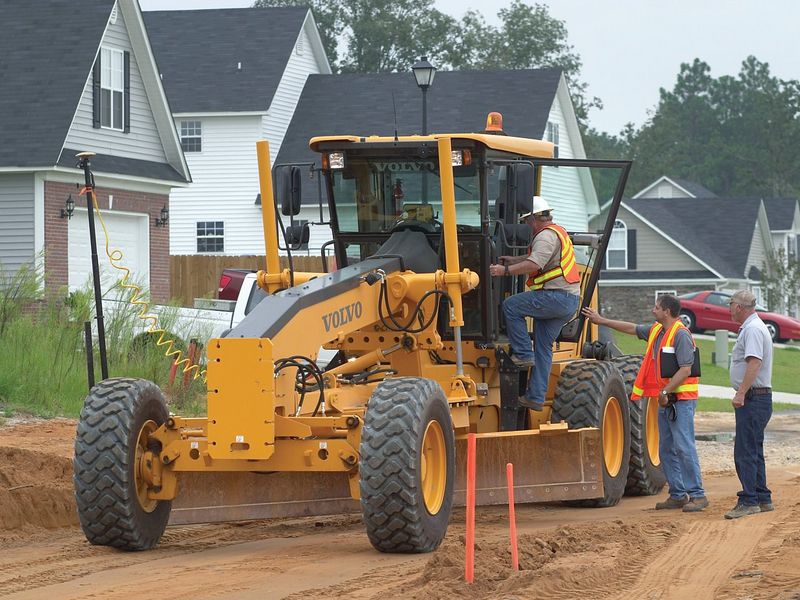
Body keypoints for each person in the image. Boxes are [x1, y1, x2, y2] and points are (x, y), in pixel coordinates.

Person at [581, 295, 709, 512]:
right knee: (666, 448)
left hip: (681, 402)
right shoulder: (657, 331)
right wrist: (601, 321)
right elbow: (632, 328)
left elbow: (686, 369)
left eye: (657, 308)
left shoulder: (681, 335)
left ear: (667, 311)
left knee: (684, 448)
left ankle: (698, 495)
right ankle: (677, 495)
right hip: (666, 401)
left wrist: (665, 390)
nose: (653, 310)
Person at [489, 196, 580, 411]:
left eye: (526, 221)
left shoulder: (545, 236)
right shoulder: (556, 232)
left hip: (556, 297)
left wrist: (505, 270)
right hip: (567, 301)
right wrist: (515, 259)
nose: (526, 226)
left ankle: (522, 352)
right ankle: (536, 398)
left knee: (511, 305)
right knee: (543, 349)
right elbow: (540, 259)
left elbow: (535, 263)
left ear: (534, 219)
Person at [725, 289, 774, 520]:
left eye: (731, 303)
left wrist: (741, 393)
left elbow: (754, 362)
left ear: (739, 307)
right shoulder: (754, 326)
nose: (729, 307)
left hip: (754, 398)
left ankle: (749, 500)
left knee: (744, 451)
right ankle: (762, 497)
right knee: (754, 450)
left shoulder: (753, 329)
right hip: (758, 398)